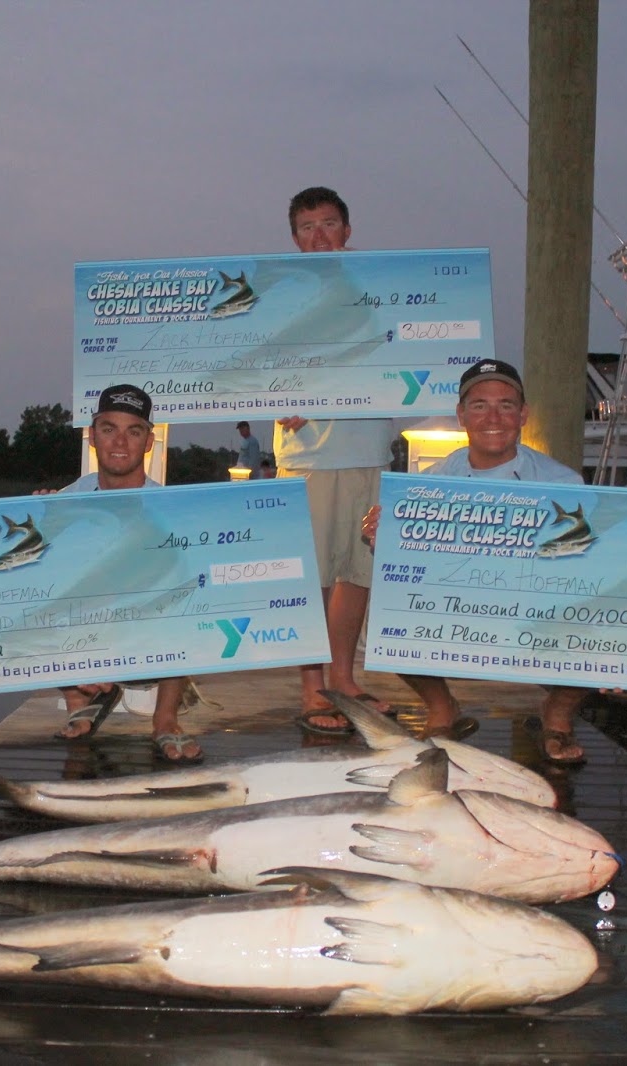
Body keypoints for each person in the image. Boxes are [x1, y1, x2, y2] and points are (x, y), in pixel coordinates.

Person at [361, 359, 591, 762]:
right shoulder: (428, 483)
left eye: (506, 405)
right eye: (480, 405)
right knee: (390, 615)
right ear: (461, 414)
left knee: (604, 622)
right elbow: (409, 563)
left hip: (533, 605)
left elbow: (581, 565)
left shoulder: (564, 483)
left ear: (523, 415)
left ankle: (557, 713)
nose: (493, 417)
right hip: (461, 604)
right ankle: (441, 707)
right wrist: (384, 536)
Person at [277, 186, 399, 734]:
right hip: (311, 457)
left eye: (328, 224)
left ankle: (345, 680)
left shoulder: (383, 287)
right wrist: (279, 398)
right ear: (295, 238)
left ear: (347, 231)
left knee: (357, 572)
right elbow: (253, 364)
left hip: (371, 449)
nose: (318, 236)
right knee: (314, 578)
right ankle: (312, 688)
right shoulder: (279, 293)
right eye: (306, 227)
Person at [43, 384, 202, 763]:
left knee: (189, 591)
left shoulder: (176, 511)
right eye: (108, 428)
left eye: (133, 431)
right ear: (92, 435)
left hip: (148, 639)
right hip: (88, 632)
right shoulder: (61, 505)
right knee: (38, 580)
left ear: (148, 441)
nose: (119, 442)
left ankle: (165, 718)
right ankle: (78, 699)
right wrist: (36, 527)